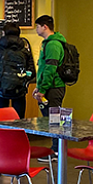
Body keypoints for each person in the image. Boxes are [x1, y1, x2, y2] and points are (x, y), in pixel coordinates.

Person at [0, 22, 36, 118]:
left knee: (0, 120)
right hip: (19, 91)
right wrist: (23, 80)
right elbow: (32, 72)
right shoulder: (25, 51)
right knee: (19, 121)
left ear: (4, 33)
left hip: (1, 90)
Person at [33, 15, 67, 153]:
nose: (36, 29)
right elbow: (43, 68)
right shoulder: (47, 43)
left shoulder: (53, 44)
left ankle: (57, 151)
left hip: (53, 87)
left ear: (44, 27)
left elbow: (50, 69)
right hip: (48, 86)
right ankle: (56, 149)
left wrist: (43, 88)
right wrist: (38, 86)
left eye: (37, 26)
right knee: (52, 119)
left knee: (55, 120)